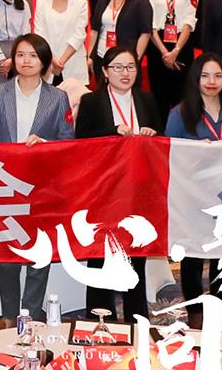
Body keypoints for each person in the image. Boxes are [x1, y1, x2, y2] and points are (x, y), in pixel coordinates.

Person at [0, 35, 74, 320]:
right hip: (6, 185)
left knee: (39, 254)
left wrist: (44, 144)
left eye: (33, 56)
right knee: (7, 259)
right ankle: (9, 317)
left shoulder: (58, 98)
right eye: (21, 54)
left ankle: (31, 316)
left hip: (42, 186)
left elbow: (68, 142)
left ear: (44, 62)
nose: (26, 61)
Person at [163, 53, 222, 329]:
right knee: (193, 256)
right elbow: (170, 153)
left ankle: (218, 308)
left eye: (218, 75)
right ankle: (195, 311)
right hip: (193, 197)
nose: (212, 81)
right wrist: (198, 151)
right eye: (205, 76)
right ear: (196, 79)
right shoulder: (180, 114)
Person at [72, 46, 160, 321]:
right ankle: (100, 319)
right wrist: (111, 132)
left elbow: (161, 141)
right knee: (100, 252)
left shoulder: (147, 99)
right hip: (103, 190)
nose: (125, 73)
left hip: (138, 189)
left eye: (131, 67)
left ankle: (136, 319)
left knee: (136, 252)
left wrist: (152, 134)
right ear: (105, 71)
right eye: (118, 67)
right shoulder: (91, 101)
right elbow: (81, 140)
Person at [144, 0, 199, 107]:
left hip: (181, 44)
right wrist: (164, 52)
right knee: (159, 94)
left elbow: (189, 22)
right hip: (157, 45)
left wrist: (175, 51)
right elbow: (151, 24)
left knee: (181, 95)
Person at [89, 0, 153, 75]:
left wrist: (135, 59)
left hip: (126, 61)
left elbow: (146, 33)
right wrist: (90, 56)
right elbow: (94, 30)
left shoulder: (141, 2)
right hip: (101, 56)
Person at [31, 0, 89, 85]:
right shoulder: (42, 1)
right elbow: (39, 33)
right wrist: (52, 60)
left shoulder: (80, 3)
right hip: (48, 62)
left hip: (73, 61)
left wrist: (61, 61)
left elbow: (79, 35)